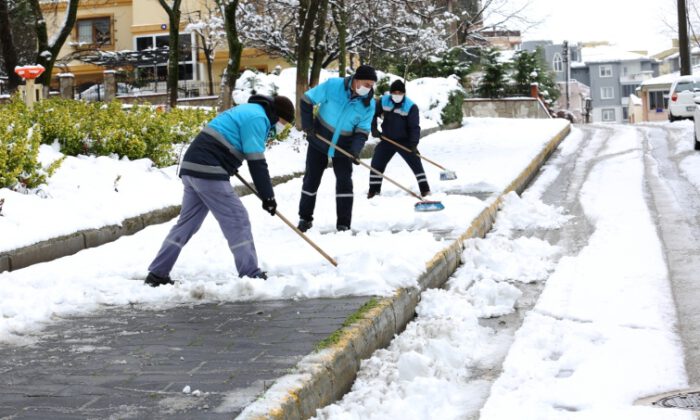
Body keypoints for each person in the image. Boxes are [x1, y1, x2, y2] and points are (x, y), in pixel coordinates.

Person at [144, 94, 295, 287]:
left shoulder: (249, 111)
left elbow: (228, 141)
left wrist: (229, 162)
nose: (282, 128)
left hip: (192, 167)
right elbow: (257, 162)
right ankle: (250, 274)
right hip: (207, 170)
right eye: (284, 123)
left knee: (187, 223)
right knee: (237, 218)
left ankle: (157, 274)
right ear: (278, 114)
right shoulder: (259, 118)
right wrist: (268, 197)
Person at [297, 64, 377, 232]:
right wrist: (308, 125)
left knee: (345, 183)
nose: (369, 88)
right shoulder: (333, 85)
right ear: (356, 79)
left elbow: (362, 130)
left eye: (371, 85)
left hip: (344, 146)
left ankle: (343, 224)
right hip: (319, 140)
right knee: (311, 179)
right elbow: (306, 99)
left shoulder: (368, 104)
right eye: (367, 84)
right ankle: (305, 218)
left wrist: (355, 150)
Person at [368, 79, 430, 198]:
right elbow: (372, 114)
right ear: (390, 93)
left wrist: (413, 144)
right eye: (394, 92)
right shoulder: (383, 101)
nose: (397, 95)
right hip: (387, 139)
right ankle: (373, 191)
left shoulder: (410, 106)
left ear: (404, 94)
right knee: (377, 162)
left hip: (405, 141)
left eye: (399, 93)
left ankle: (425, 189)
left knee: (416, 163)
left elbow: (414, 127)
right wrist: (374, 129)